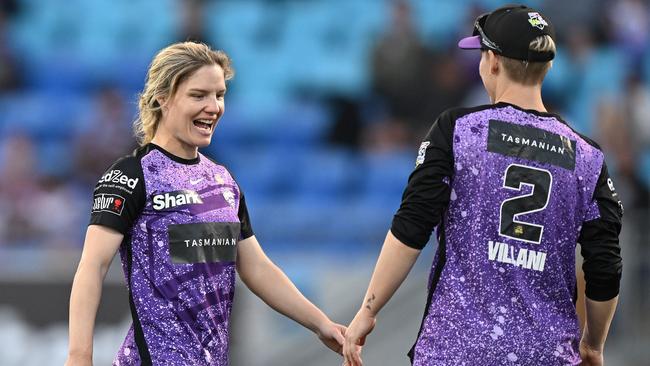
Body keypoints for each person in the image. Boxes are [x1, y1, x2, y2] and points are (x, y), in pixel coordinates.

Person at [343, 5, 623, 366]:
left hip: (454, 350)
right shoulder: (587, 157)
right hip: (545, 355)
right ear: (548, 66)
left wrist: (369, 309)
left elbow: (411, 227)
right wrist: (593, 345)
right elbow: (605, 264)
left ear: (492, 62)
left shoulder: (458, 130)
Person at [65, 41, 346, 366]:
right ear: (163, 98)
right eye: (198, 95)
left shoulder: (223, 180)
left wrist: (320, 324)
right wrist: (79, 356)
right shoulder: (131, 176)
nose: (213, 107)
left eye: (219, 95)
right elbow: (92, 266)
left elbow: (255, 266)